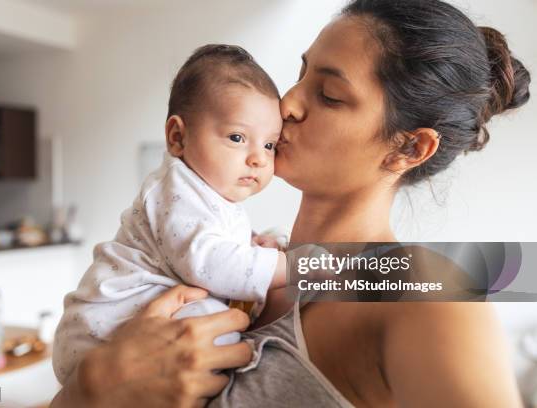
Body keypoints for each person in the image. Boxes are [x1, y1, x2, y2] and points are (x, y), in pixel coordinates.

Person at [52, 0, 531, 406]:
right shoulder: (243, 255)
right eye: (300, 75)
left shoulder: (421, 288)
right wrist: (88, 390)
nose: (287, 104)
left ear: (409, 148)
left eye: (328, 95)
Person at [52, 44, 289, 384]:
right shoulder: (177, 190)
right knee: (213, 326)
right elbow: (209, 263)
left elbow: (204, 245)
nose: (259, 159)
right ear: (178, 137)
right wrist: (293, 266)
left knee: (215, 320)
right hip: (102, 329)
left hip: (124, 329)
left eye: (269, 144)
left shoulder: (209, 195)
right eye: (238, 137)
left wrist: (253, 244)